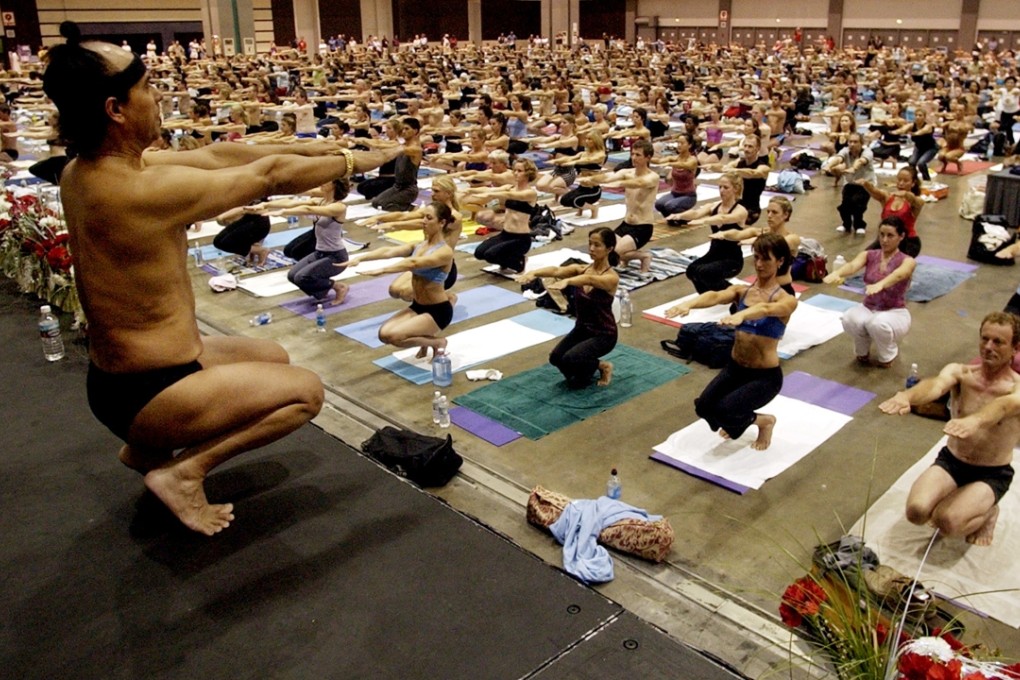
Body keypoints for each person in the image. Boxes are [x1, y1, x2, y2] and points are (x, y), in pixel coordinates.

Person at [44, 22, 399, 535]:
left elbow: (218, 156)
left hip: (133, 372)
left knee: (273, 357)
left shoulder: (88, 171)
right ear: (115, 110)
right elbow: (266, 177)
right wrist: (353, 160)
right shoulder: (134, 195)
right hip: (145, 392)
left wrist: (320, 147)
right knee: (305, 392)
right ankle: (184, 473)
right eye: (145, 87)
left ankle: (143, 450)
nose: (157, 96)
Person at [879, 312, 1020, 546]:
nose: (988, 347)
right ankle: (960, 497)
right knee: (916, 512)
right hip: (952, 462)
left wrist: (975, 421)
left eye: (998, 342)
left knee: (946, 521)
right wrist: (908, 396)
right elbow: (935, 385)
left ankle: (989, 513)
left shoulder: (1016, 387)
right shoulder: (961, 373)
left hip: (991, 472)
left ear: (1015, 348)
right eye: (984, 339)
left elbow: (1004, 406)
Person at [664, 234, 798, 451]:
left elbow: (764, 309)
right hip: (735, 369)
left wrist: (742, 316)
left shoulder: (785, 299)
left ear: (780, 261)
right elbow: (716, 296)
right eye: (756, 258)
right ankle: (739, 419)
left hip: (764, 377)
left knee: (726, 411)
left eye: (766, 259)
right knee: (704, 407)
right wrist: (689, 303)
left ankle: (764, 422)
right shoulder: (742, 291)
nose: (759, 264)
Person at [516, 227, 620, 388]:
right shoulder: (582, 268)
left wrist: (569, 281)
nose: (591, 249)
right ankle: (594, 367)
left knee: (573, 362)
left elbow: (591, 280)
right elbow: (557, 270)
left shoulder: (611, 278)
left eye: (597, 245)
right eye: (590, 244)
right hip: (583, 329)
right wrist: (534, 273)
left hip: (604, 334)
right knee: (556, 358)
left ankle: (603, 367)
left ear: (609, 249)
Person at [350, 202, 456, 358]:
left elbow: (413, 263)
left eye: (429, 218)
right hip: (418, 306)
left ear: (442, 223)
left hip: (438, 310)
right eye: (423, 217)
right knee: (384, 335)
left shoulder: (445, 252)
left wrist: (383, 270)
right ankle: (428, 341)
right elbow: (388, 251)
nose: (424, 221)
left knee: (396, 337)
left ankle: (437, 343)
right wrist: (360, 257)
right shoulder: (419, 246)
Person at [822, 217, 916, 367]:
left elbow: (900, 274)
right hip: (868, 307)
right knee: (849, 319)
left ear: (901, 236)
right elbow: (853, 266)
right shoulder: (869, 255)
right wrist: (837, 273)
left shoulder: (908, 260)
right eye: (881, 235)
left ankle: (888, 353)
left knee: (877, 324)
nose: (884, 240)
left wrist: (881, 284)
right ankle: (862, 350)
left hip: (894, 312)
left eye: (890, 235)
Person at [258, 178, 353, 305]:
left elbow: (308, 210)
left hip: (336, 257)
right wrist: (266, 205)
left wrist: (284, 212)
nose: (322, 182)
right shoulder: (320, 201)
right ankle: (323, 291)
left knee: (302, 277)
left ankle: (339, 287)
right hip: (320, 252)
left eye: (327, 181)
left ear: (335, 186)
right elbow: (292, 203)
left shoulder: (339, 207)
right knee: (292, 275)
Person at [576, 139, 660, 275]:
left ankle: (644, 256)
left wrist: (618, 183)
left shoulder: (653, 177)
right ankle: (627, 256)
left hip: (642, 228)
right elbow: (609, 176)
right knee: (605, 249)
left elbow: (638, 183)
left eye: (638, 155)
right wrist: (592, 179)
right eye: (632, 154)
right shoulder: (628, 172)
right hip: (626, 224)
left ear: (648, 157)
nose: (634, 158)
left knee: (612, 254)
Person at [670, 172, 749, 293]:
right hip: (714, 255)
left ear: (736, 189)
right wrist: (679, 215)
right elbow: (696, 213)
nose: (721, 191)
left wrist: (703, 221)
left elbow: (724, 218)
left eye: (726, 187)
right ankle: (708, 295)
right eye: (720, 187)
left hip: (732, 260)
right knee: (692, 270)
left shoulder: (740, 211)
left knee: (705, 273)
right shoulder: (715, 206)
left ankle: (736, 292)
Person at [706, 196, 800, 295]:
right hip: (761, 287)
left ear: (786, 215)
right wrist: (724, 234)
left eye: (774, 212)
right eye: (768, 211)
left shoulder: (793, 238)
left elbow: (776, 245)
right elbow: (738, 234)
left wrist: (756, 240)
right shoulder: (761, 231)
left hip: (781, 290)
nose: (769, 215)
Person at [465, 159, 539, 273]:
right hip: (505, 234)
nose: (515, 173)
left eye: (519, 171)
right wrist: (469, 191)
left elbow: (509, 195)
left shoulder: (530, 193)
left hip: (521, 238)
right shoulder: (510, 187)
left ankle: (520, 261)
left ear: (528, 173)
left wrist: (490, 194)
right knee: (479, 253)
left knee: (491, 255)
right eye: (514, 170)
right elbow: (490, 189)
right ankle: (504, 260)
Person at [858, 166, 924, 257]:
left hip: (908, 242)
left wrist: (906, 194)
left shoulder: (917, 201)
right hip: (887, 240)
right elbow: (875, 192)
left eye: (905, 181)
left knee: (893, 262)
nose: (901, 183)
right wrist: (866, 184)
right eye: (899, 180)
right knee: (864, 256)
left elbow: (914, 200)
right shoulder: (887, 197)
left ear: (913, 183)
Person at [828, 132, 876, 236]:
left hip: (865, 184)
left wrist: (853, 168)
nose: (852, 144)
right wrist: (829, 166)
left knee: (858, 205)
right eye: (850, 141)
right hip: (850, 183)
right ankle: (846, 224)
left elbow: (861, 161)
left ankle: (859, 225)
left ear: (861, 143)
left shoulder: (867, 152)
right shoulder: (845, 150)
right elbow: (838, 158)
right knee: (845, 205)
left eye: (855, 142)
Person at [652, 132, 699, 219]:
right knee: (659, 204)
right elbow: (659, 161)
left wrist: (670, 163)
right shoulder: (674, 158)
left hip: (688, 196)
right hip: (674, 194)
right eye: (678, 143)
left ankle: (687, 218)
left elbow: (685, 165)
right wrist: (645, 157)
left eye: (682, 143)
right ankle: (672, 219)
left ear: (689, 145)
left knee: (670, 206)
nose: (679, 145)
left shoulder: (693, 160)